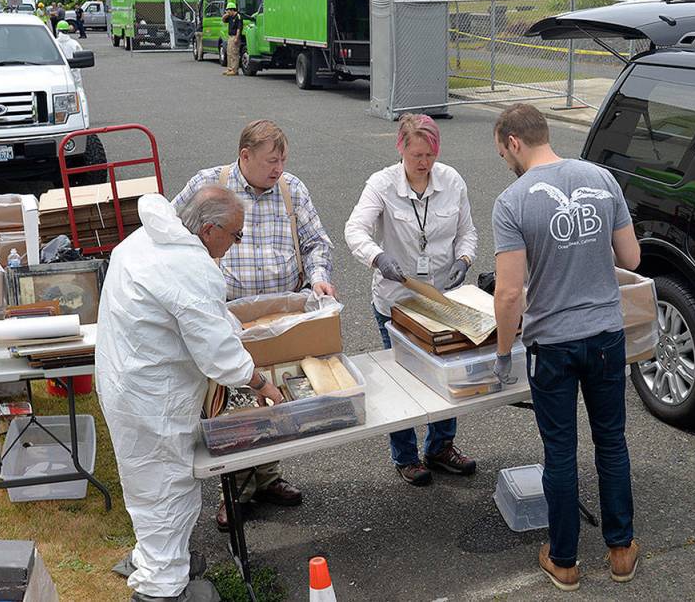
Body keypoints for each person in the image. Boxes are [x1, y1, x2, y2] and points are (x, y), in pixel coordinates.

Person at [97, 186, 284, 602]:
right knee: (167, 487)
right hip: (152, 397)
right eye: (235, 236)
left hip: (124, 381)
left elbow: (202, 317)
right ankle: (160, 587)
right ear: (210, 229)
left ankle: (160, 557)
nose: (235, 245)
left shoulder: (144, 240)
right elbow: (218, 353)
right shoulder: (189, 267)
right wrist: (261, 383)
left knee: (144, 483)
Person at [490, 104, 641, 592]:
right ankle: (621, 551)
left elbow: (510, 292)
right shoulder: (603, 179)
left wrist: (500, 354)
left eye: (502, 152)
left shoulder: (512, 201)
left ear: (514, 141)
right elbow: (632, 257)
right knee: (611, 441)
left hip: (551, 344)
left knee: (560, 451)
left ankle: (565, 561)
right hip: (604, 335)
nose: (505, 162)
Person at [172, 119, 335, 531]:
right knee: (231, 406)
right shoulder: (209, 185)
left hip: (280, 317)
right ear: (244, 156)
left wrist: (318, 275)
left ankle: (266, 478)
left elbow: (317, 241)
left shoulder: (291, 189)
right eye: (270, 161)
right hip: (225, 315)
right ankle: (234, 492)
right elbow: (172, 236)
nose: (278, 169)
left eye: (282, 160)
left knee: (273, 395)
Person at [344, 113, 478, 486]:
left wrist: (464, 260)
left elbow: (467, 232)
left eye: (430, 155)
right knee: (403, 377)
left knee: (445, 369)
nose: (423, 163)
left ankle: (440, 447)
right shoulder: (382, 184)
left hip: (439, 297)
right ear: (400, 148)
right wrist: (377, 257)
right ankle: (405, 455)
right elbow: (354, 229)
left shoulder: (452, 181)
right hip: (396, 300)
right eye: (416, 155)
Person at [220, 2, 242, 76]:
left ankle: (234, 70)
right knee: (229, 53)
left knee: (234, 53)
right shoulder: (229, 17)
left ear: (232, 10)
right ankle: (229, 68)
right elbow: (223, 20)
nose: (227, 12)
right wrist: (226, 15)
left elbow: (239, 28)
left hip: (235, 36)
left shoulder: (238, 16)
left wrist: (236, 38)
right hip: (230, 36)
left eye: (228, 10)